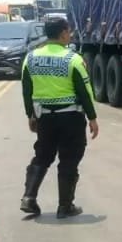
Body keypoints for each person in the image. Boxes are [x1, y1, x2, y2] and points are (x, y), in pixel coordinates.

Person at [19, 15, 99, 218]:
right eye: (69, 32)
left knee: (42, 156)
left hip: (45, 118)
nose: (70, 35)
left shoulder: (31, 58)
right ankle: (65, 206)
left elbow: (26, 89)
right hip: (70, 117)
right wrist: (92, 118)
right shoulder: (72, 59)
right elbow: (84, 90)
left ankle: (29, 198)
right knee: (69, 159)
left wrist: (30, 115)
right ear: (63, 33)